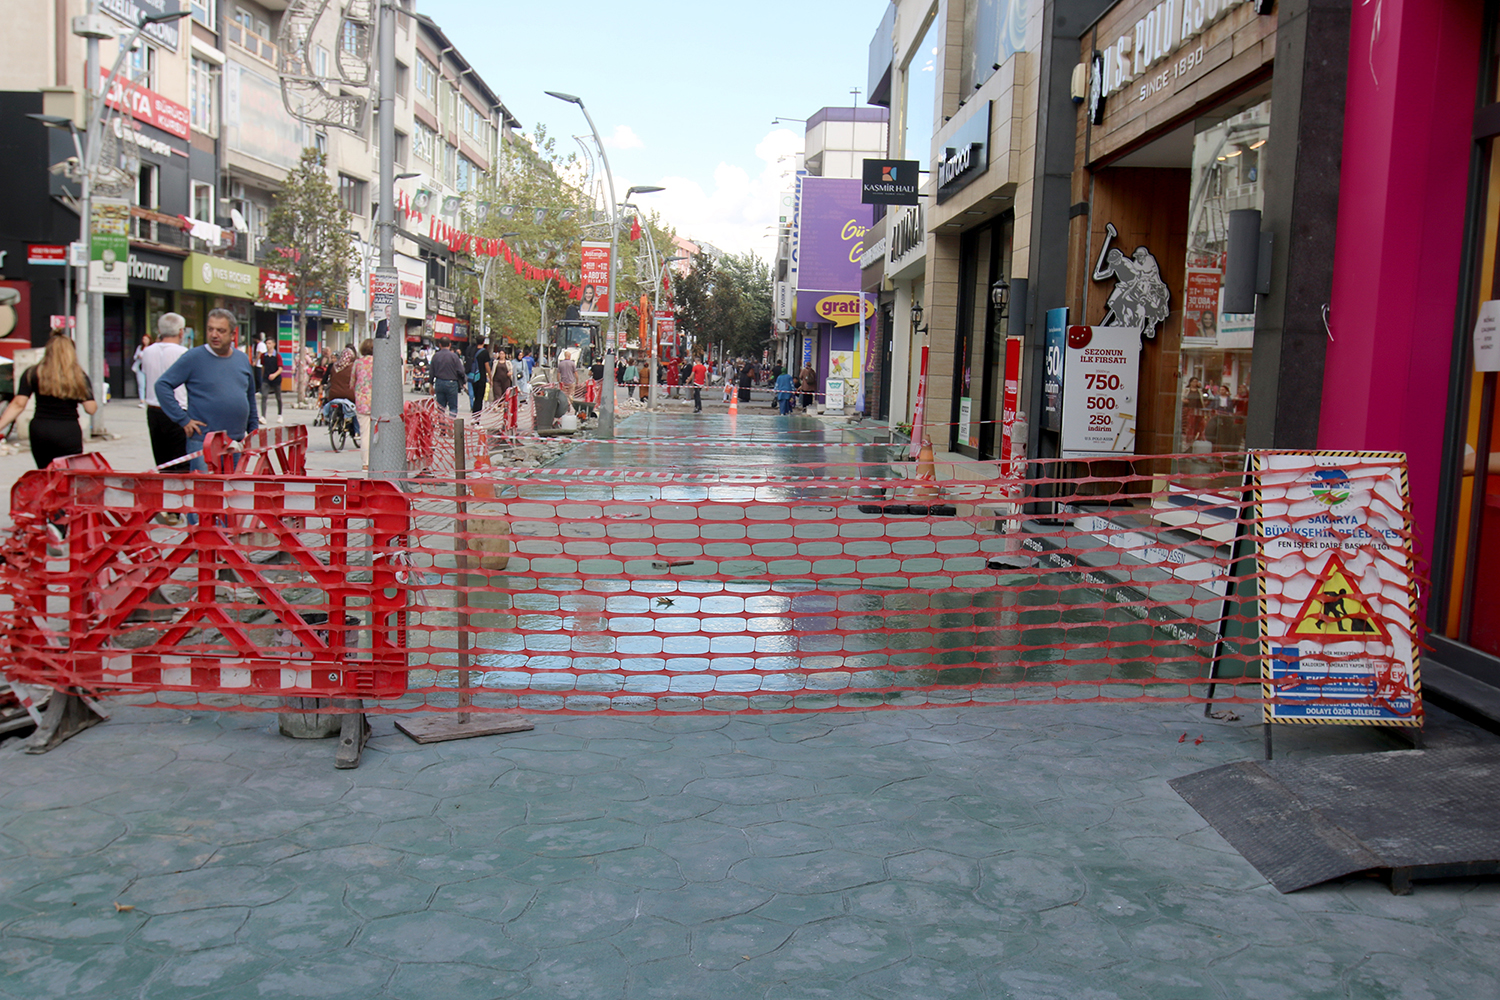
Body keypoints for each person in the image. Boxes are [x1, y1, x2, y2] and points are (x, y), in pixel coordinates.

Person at [155, 308, 258, 472]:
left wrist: (254, 431)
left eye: (221, 330)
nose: (214, 335)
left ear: (233, 334)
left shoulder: (242, 359)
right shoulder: (193, 357)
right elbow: (162, 385)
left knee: (234, 492)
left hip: (236, 442)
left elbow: (249, 397)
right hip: (204, 443)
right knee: (206, 493)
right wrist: (183, 420)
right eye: (210, 329)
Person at [0, 332, 99, 469]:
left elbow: (18, 404)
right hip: (68, 431)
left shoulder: (32, 373)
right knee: (68, 475)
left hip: (41, 430)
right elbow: (91, 409)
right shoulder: (78, 376)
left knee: (44, 473)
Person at [139, 312, 189, 469]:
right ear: (181, 331)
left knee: (162, 461)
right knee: (181, 461)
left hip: (154, 410)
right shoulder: (182, 353)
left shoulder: (147, 352)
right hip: (178, 409)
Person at [323, 342, 359, 446]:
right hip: (349, 395)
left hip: (333, 394)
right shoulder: (353, 366)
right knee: (358, 411)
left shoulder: (334, 366)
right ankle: (357, 431)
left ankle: (333, 421)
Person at [352, 338, 374, 470]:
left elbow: (352, 382)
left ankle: (365, 463)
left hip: (362, 402)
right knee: (379, 433)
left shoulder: (357, 363)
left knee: (365, 433)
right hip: (378, 402)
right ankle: (379, 460)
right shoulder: (380, 362)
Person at [429, 339, 465, 413]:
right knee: (453, 407)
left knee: (441, 407)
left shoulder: (435, 356)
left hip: (439, 382)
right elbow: (461, 371)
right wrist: (463, 381)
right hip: (451, 382)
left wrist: (431, 385)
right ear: (450, 345)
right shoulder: (454, 356)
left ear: (440, 345)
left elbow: (431, 372)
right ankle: (451, 422)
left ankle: (441, 423)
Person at [260, 341, 284, 422]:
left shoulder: (277, 356)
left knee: (278, 397)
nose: (268, 345)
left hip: (276, 379)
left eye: (270, 343)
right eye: (266, 343)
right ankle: (263, 416)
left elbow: (280, 368)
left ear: (274, 344)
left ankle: (280, 415)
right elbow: (263, 366)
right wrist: (262, 376)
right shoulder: (263, 356)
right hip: (266, 378)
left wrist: (274, 375)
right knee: (264, 396)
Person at [470, 339, 491, 413]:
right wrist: (490, 376)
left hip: (472, 376)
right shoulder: (484, 352)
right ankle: (476, 418)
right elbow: (487, 365)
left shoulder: (472, 350)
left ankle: (474, 414)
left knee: (476, 397)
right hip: (481, 377)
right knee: (479, 398)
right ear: (483, 342)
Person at [131, 334, 150, 407]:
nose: (144, 341)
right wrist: (138, 356)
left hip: (148, 367)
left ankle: (148, 399)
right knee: (141, 384)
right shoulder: (140, 347)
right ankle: (142, 400)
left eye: (145, 339)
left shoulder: (151, 348)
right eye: (143, 339)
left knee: (148, 384)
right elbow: (135, 357)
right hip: (140, 367)